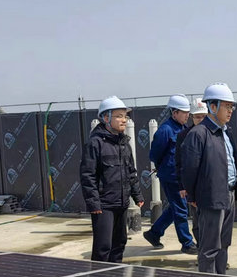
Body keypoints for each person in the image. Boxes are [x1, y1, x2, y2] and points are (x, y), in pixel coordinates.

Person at [181, 83, 237, 274]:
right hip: (211, 197)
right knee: (209, 247)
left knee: (224, 243)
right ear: (213, 106)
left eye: (232, 106)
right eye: (226, 106)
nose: (230, 110)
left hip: (228, 194)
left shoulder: (226, 131)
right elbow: (189, 169)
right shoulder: (198, 134)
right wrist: (193, 196)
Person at [80, 96, 144, 263]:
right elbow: (88, 175)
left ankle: (115, 274)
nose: (124, 120)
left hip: (121, 203)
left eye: (125, 116)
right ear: (106, 118)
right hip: (104, 206)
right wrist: (94, 203)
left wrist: (137, 195)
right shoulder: (95, 143)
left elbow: (131, 172)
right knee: (103, 246)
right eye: (119, 116)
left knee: (119, 243)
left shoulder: (124, 144)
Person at [144, 95, 197, 254]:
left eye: (188, 112)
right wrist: (163, 167)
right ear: (174, 113)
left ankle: (154, 233)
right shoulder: (165, 130)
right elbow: (154, 154)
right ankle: (186, 243)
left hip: (180, 176)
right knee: (180, 209)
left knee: (176, 207)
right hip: (171, 176)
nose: (187, 115)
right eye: (184, 112)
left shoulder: (183, 127)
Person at [174, 97, 208, 245]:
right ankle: (201, 248)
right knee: (197, 219)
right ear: (192, 117)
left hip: (212, 184)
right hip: (194, 186)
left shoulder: (216, 133)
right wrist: (182, 186)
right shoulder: (183, 136)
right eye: (197, 117)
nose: (201, 120)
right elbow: (179, 162)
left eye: (204, 116)